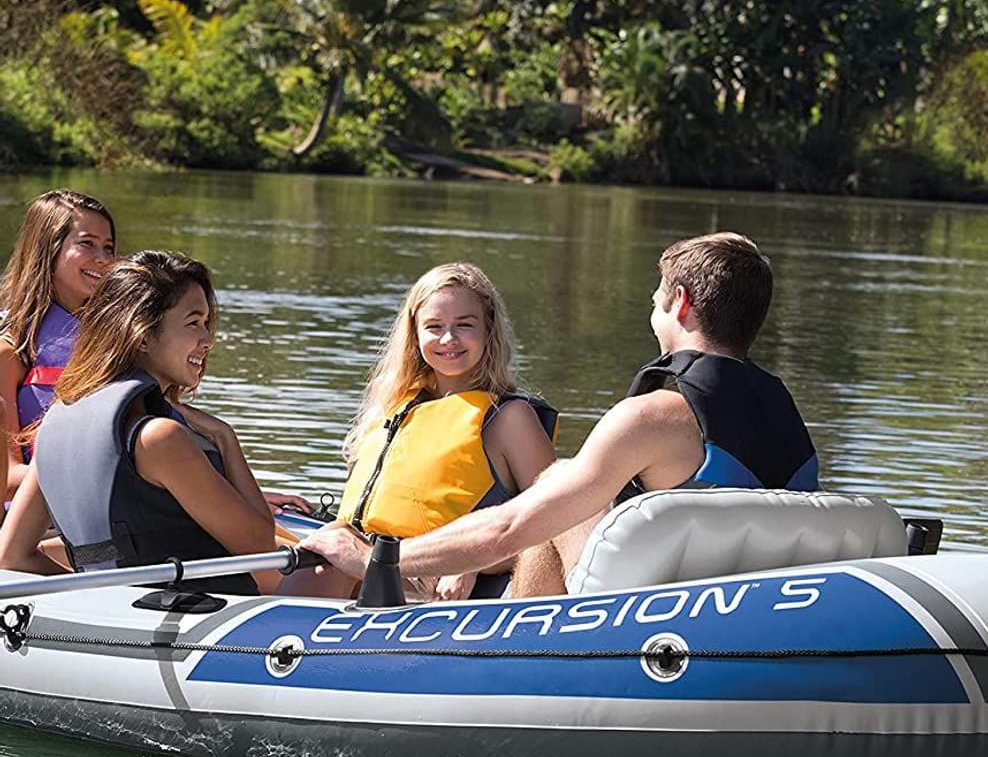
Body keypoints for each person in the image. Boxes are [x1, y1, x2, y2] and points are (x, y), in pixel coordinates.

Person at [302, 231, 819, 597]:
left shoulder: (649, 417)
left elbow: (512, 528)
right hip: (736, 612)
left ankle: (507, 667)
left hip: (639, 630)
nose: (654, 312)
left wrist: (374, 560)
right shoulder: (787, 418)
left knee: (560, 488)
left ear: (679, 303)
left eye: (656, 301)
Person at [0, 250, 278, 595]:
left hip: (122, 618)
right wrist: (225, 438)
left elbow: (11, 556)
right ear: (142, 335)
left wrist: (98, 594)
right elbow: (261, 549)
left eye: (206, 324)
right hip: (195, 624)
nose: (207, 340)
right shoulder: (159, 438)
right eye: (193, 323)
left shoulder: (56, 422)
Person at [286, 261, 557, 600]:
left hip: (435, 585)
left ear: (489, 330)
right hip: (360, 564)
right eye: (434, 326)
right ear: (414, 334)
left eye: (464, 325)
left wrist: (471, 563)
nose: (448, 339)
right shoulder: (392, 407)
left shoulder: (509, 418)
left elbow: (554, 526)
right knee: (324, 558)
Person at [0, 189, 117, 497]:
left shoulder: (112, 346)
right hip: (38, 525)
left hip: (108, 509)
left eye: (108, 247)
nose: (103, 260)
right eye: (87, 244)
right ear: (47, 249)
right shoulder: (10, 352)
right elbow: (8, 479)